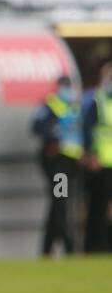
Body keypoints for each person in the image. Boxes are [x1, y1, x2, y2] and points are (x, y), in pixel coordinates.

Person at [30, 73, 83, 256]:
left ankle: (48, 247)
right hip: (57, 162)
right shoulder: (50, 104)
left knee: (59, 203)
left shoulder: (75, 106)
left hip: (71, 162)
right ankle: (66, 245)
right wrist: (53, 136)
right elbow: (37, 126)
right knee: (60, 201)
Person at [83, 62, 112, 253]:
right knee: (98, 207)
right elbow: (88, 130)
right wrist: (90, 154)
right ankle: (95, 247)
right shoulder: (97, 100)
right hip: (101, 162)